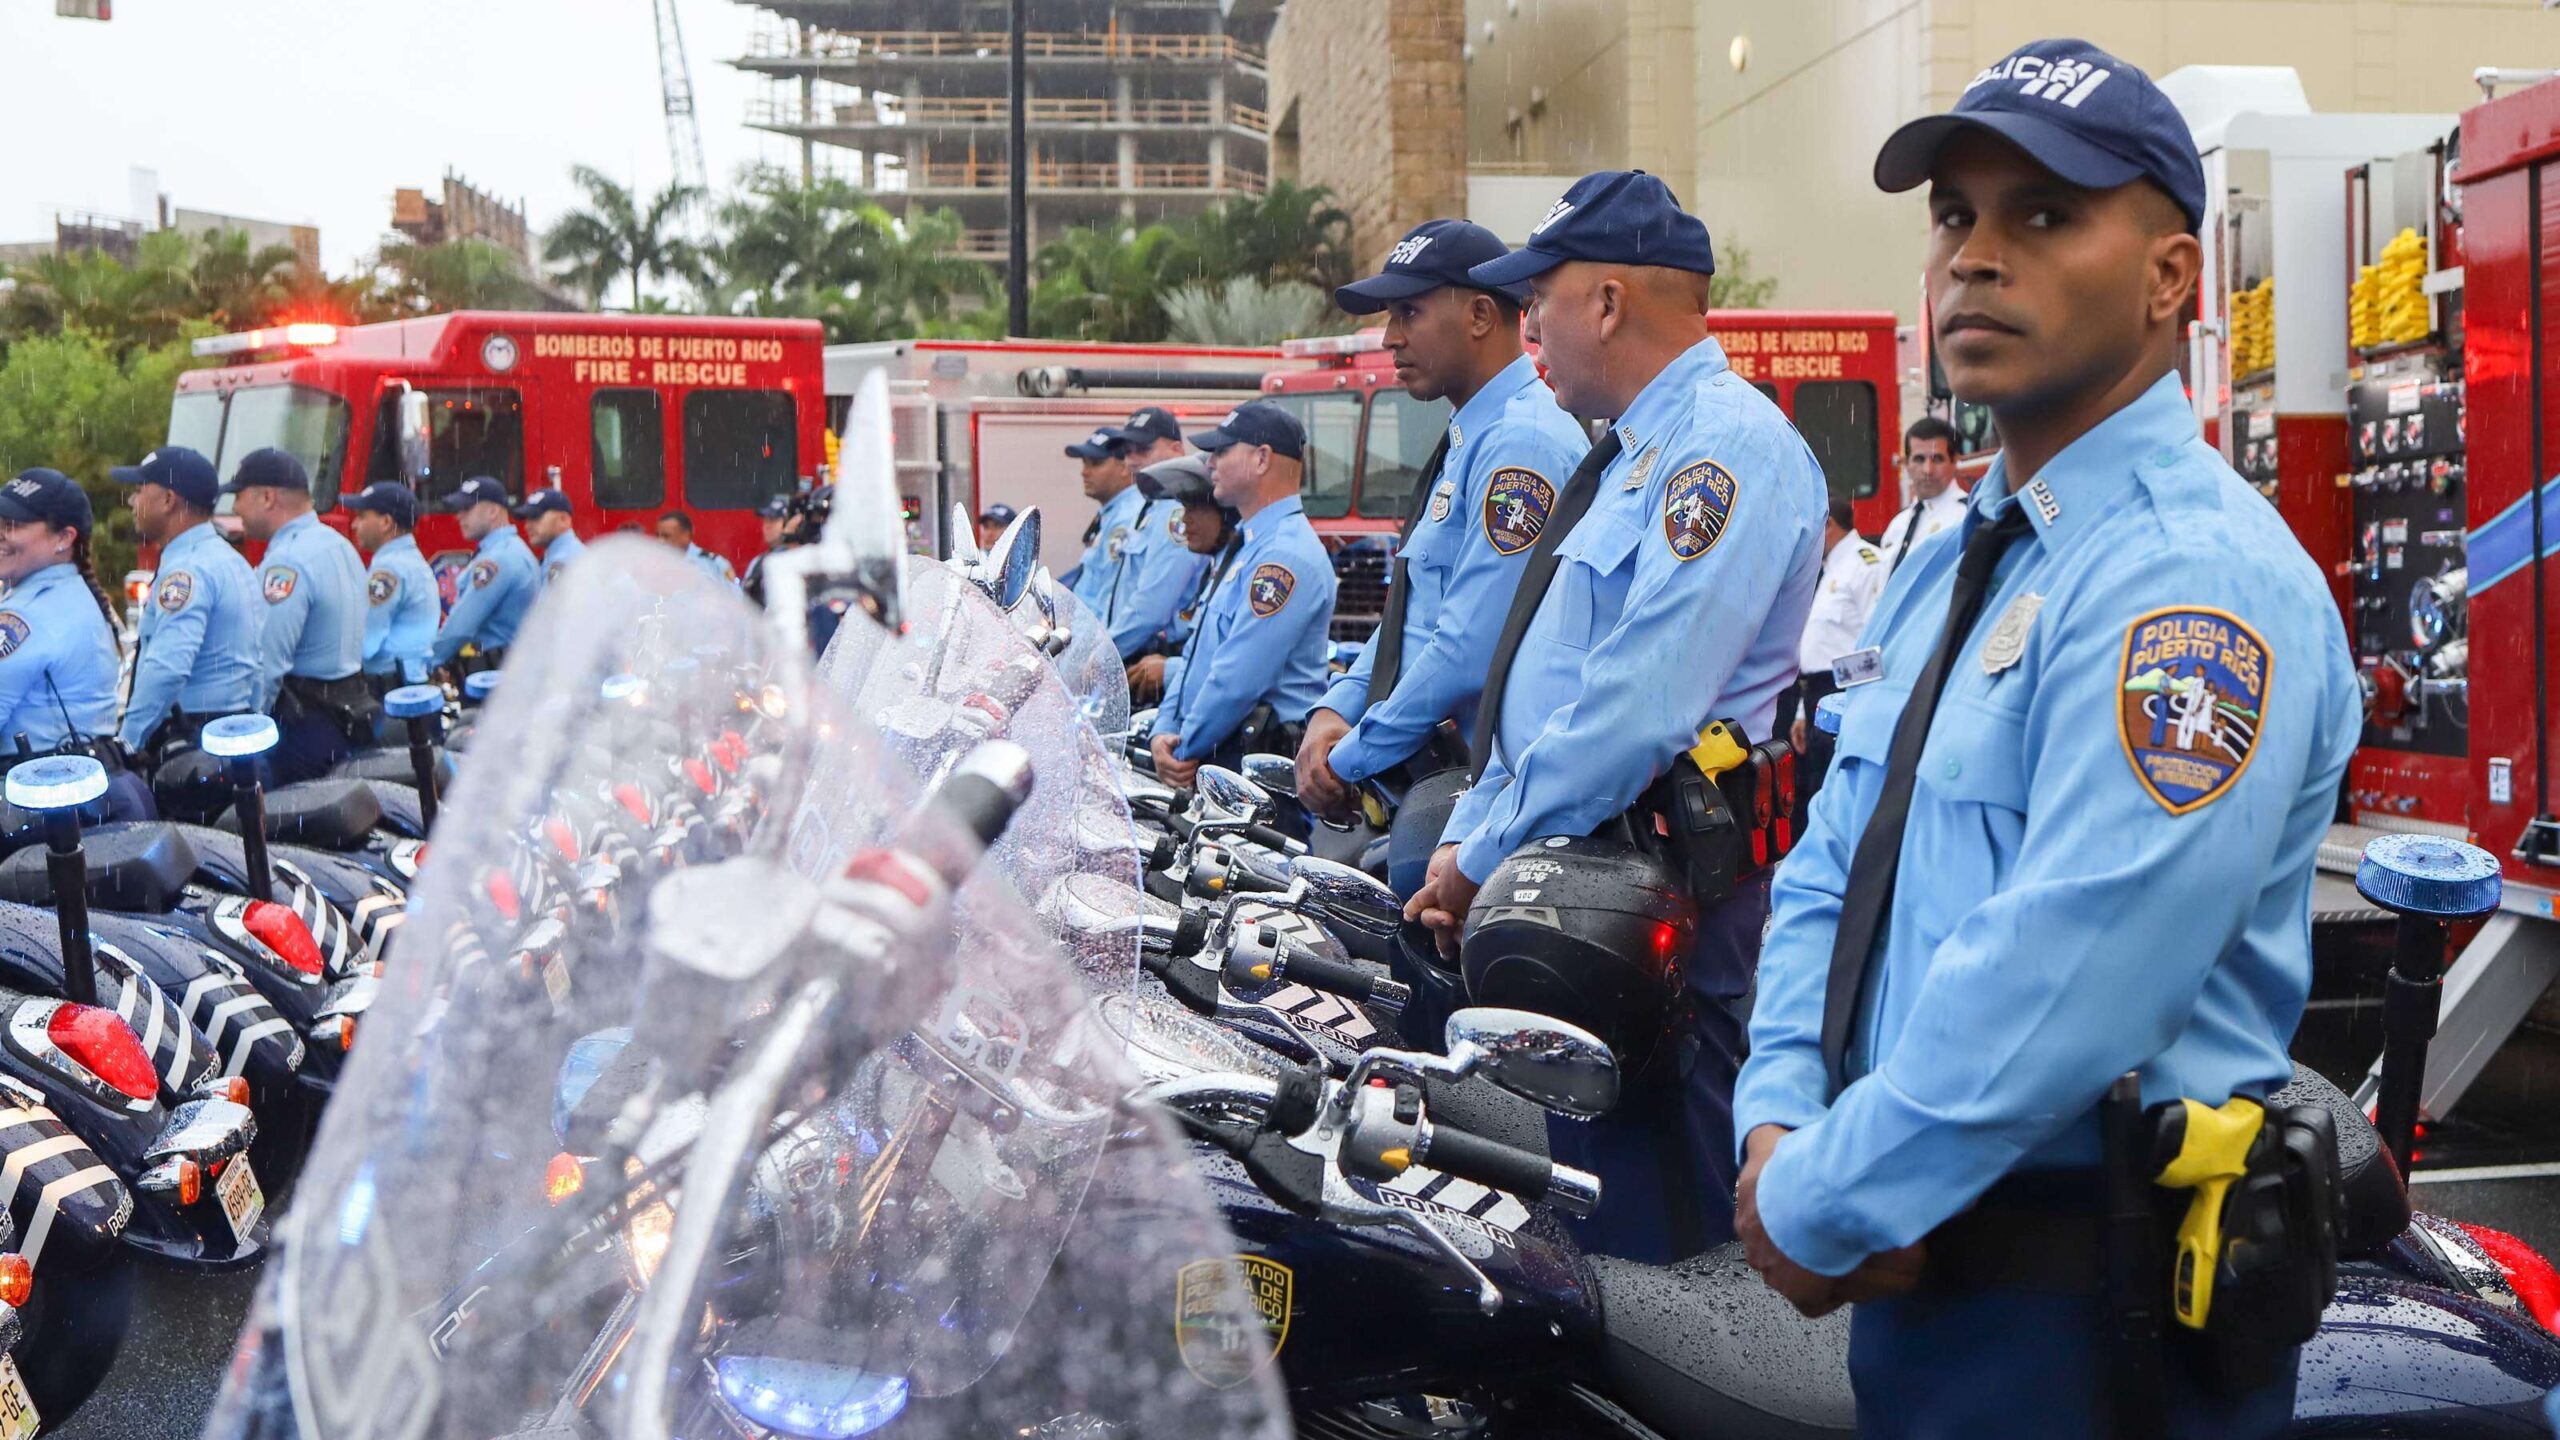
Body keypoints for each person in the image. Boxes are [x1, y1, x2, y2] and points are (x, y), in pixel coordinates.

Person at [1732, 41, 2358, 1439]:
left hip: (2084, 1320)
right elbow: (1834, 862)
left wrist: (1826, 1191)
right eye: (1954, 215)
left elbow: (2078, 962)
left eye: (2045, 214)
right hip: (1916, 1280)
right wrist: (1779, 1115)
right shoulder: (1957, 552)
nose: (1974, 256)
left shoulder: (2188, 582)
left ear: (2170, 278)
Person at [1403, 170, 1829, 1264]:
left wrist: (1479, 852)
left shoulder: (1722, 451)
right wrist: (1476, 838)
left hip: (1662, 900)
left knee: (1665, 1261)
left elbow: (1638, 705)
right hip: (1577, 891)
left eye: (1539, 297)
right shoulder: (1635, 452)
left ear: (1605, 303)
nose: (1528, 325)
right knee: (1594, 1222)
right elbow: (1547, 691)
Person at [1292, 220, 1587, 887]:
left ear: (1480, 315)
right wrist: (1338, 707)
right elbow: (1414, 615)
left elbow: (1466, 647)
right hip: (1460, 790)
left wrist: (1351, 756)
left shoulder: (1522, 445)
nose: (1390, 338)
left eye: (1409, 313)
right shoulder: (1473, 436)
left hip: (1501, 801)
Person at [1147, 402, 1337, 787]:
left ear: (1262, 459)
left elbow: (1236, 681)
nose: (1210, 462)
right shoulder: (1247, 547)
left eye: (1221, 451)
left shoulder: (1284, 557)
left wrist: (1182, 749)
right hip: (1219, 755)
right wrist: (1164, 730)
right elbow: (1196, 656)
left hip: (1255, 771)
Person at [112, 446, 261, 783]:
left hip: (194, 745)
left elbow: (168, 667)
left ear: (168, 500)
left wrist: (127, 743)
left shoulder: (187, 569)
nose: (132, 501)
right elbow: (258, 663)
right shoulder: (230, 559)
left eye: (139, 490)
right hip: (232, 731)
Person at [227, 448, 373, 781]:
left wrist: (248, 732)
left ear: (267, 497)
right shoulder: (339, 545)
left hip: (305, 728)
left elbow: (267, 662)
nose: (235, 508)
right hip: (350, 713)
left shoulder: (287, 561)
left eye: (238, 496)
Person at [0, 469, 130, 781]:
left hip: (40, 789)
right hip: (86, 778)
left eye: (13, 524)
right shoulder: (74, 594)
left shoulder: (27, 615)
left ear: (63, 538)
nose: (1, 533)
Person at [1781, 498, 1886, 827]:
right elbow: (1818, 647)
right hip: (1816, 692)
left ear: (1827, 524)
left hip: (1845, 691)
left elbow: (1878, 642)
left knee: (1839, 797)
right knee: (1815, 792)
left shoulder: (1866, 564)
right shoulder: (1829, 569)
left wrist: (1856, 703)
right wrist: (1803, 712)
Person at [1064, 424, 1201, 661]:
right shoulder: (1143, 510)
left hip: (1142, 652)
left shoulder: (1166, 512)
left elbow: (1152, 604)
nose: (1133, 459)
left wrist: (1100, 656)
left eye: (1143, 449)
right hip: (1112, 645)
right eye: (1128, 451)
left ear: (1177, 449)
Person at [1123, 453, 1241, 705]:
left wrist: (1171, 670)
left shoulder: (1242, 574)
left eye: (1195, 508)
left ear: (1227, 514)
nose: (1185, 519)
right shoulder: (1217, 569)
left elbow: (1241, 667)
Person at [430, 476, 540, 675]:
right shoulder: (509, 550)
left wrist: (429, 662)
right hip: (504, 666)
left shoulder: (497, 559)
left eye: (467, 509)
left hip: (494, 672)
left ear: (493, 512)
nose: (459, 516)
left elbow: (460, 629)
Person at [344, 482, 439, 689]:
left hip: (389, 685)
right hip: (409, 680)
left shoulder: (389, 568)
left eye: (362, 516)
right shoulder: (409, 559)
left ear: (386, 522)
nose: (354, 525)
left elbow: (366, 642)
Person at [1879, 416, 1967, 571]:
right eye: (1919, 459)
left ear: (1955, 461)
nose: (1928, 470)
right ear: (1906, 464)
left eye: (1937, 459)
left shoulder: (1966, 517)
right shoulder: (1898, 524)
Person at [517, 488, 586, 587]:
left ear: (563, 519)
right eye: (527, 519)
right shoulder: (562, 554)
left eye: (536, 517)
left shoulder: (564, 561)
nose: (527, 526)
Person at [655, 510, 736, 585]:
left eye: (666, 536)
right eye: (658, 535)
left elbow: (733, 593)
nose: (660, 541)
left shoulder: (713, 564)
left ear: (686, 535)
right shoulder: (654, 563)